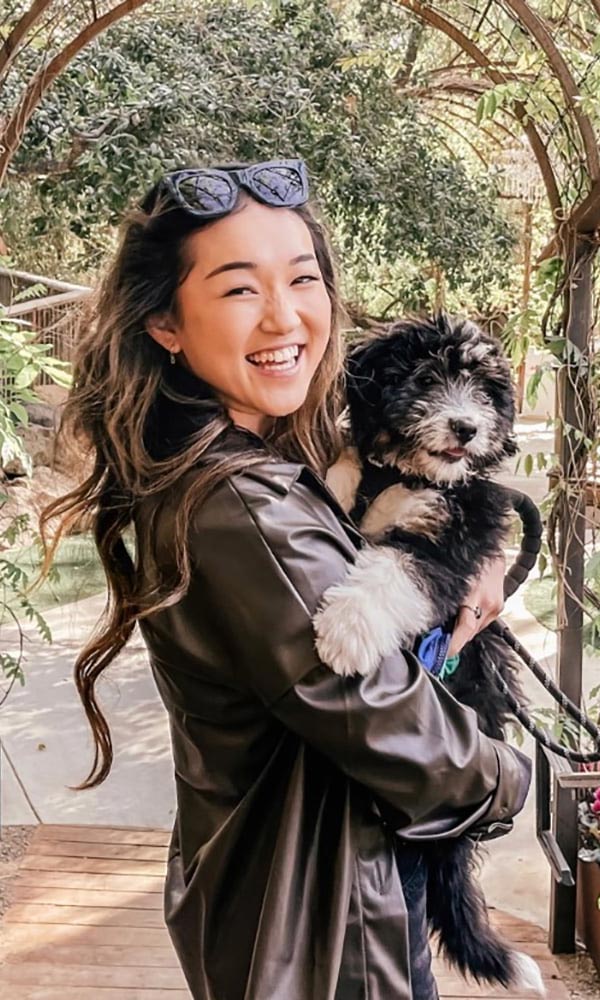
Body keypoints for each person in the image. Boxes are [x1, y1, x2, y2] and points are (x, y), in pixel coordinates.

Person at [42, 159, 531, 1000]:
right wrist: (505, 779)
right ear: (164, 321)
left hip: (280, 893)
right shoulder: (242, 505)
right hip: (329, 923)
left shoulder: (222, 461)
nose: (285, 316)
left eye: (302, 279)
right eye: (238, 290)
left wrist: (479, 558)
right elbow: (392, 724)